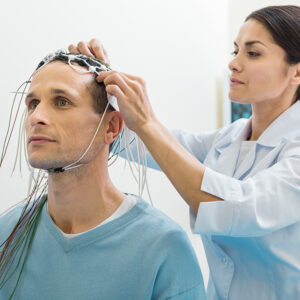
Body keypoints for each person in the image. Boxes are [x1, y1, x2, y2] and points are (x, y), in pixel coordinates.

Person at [70, 5, 300, 300]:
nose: (234, 63)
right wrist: (100, 87)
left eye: (253, 53)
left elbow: (238, 207)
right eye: (235, 51)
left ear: (296, 72)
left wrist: (146, 121)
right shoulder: (229, 138)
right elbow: (145, 143)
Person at [0, 51, 206, 299]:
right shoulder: (8, 234)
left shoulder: (163, 248)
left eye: (62, 102)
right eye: (33, 104)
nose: (36, 117)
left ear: (111, 127)